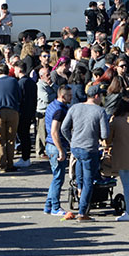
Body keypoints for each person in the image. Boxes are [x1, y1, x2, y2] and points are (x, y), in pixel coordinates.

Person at [60, 84, 110, 222]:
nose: (102, 98)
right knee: (89, 181)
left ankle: (79, 192)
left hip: (76, 147)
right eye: (101, 95)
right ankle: (83, 212)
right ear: (96, 96)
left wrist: (72, 140)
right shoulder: (100, 111)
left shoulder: (75, 107)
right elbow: (105, 134)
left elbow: (64, 128)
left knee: (80, 176)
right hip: (89, 148)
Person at [43, 85, 72, 216]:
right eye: (69, 96)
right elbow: (54, 132)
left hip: (51, 144)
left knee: (57, 177)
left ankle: (48, 206)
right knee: (58, 178)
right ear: (62, 96)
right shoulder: (60, 110)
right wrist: (61, 150)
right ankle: (55, 207)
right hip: (55, 145)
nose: (71, 98)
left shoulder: (53, 105)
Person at [0, 64, 23, 172]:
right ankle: (10, 163)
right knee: (11, 139)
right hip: (13, 111)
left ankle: (2, 164)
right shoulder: (14, 81)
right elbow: (19, 96)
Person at [16, 62, 38, 167]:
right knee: (26, 135)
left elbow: (19, 99)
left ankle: (25, 158)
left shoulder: (21, 83)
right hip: (30, 111)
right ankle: (26, 157)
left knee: (23, 135)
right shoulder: (31, 82)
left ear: (19, 70)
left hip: (23, 112)